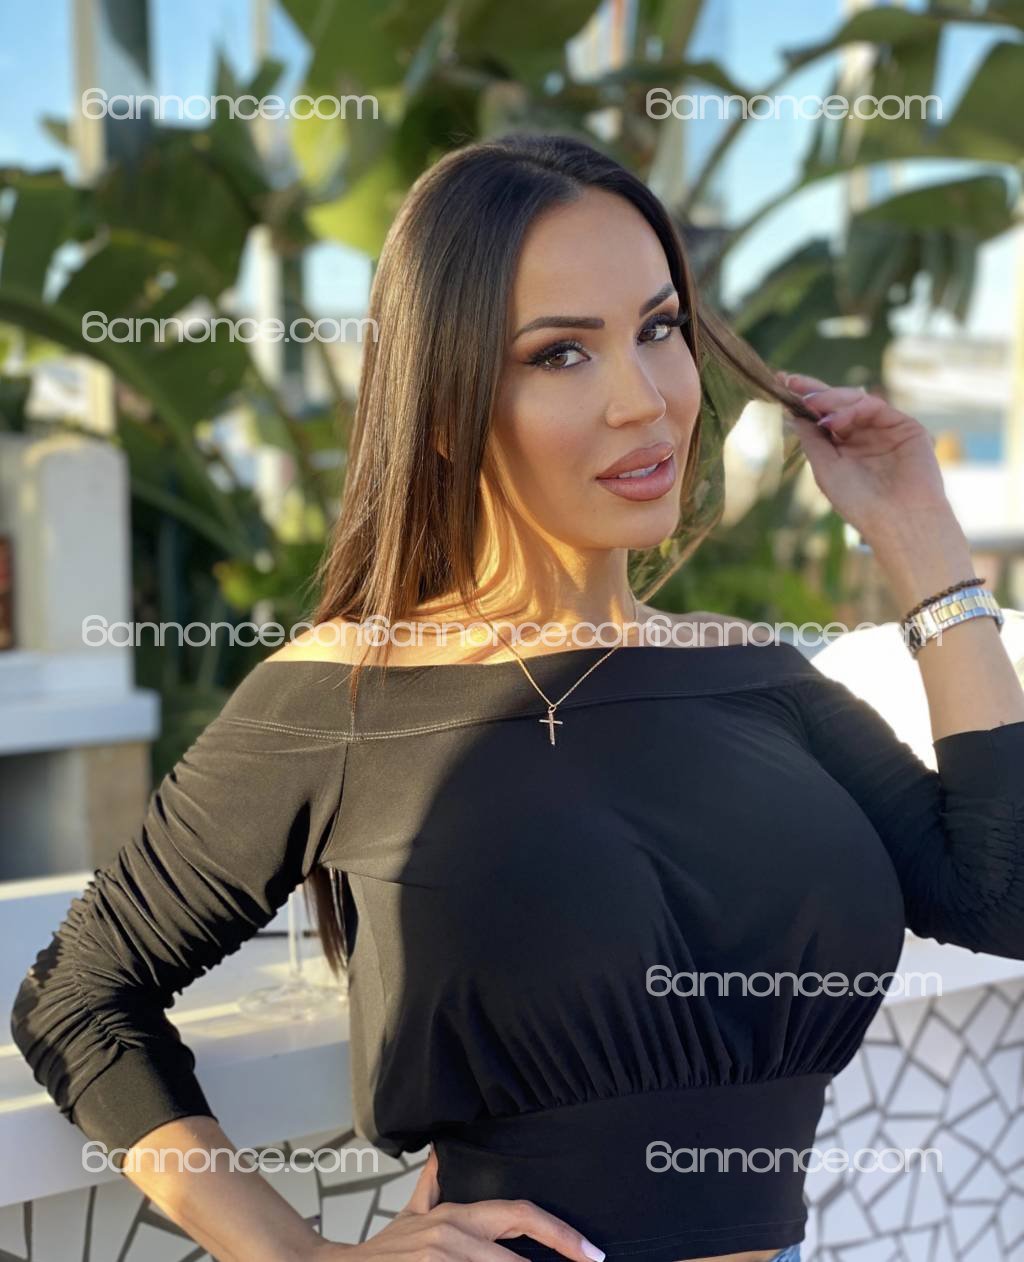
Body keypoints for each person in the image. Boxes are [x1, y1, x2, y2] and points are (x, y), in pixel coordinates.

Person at [10, 133, 1024, 1262]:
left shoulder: (754, 673)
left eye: (658, 329)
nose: (643, 400)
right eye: (560, 353)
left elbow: (1002, 893)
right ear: (446, 405)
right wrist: (300, 1255)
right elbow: (79, 996)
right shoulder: (350, 694)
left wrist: (919, 536)